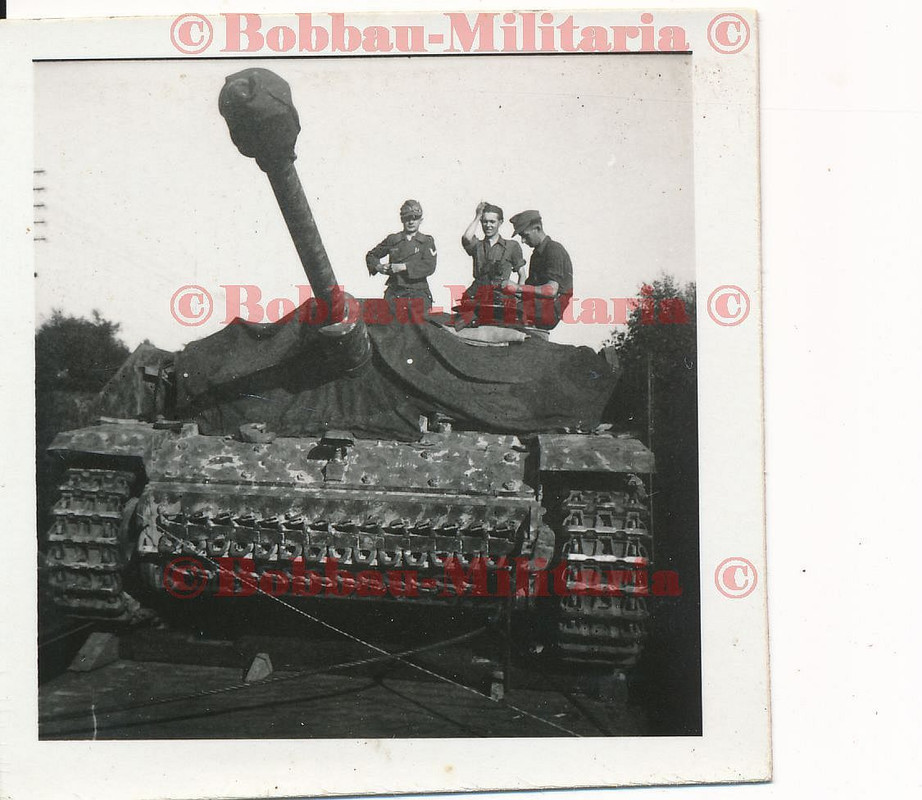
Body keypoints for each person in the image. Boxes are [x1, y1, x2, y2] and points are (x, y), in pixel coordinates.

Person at [365, 199, 437, 309]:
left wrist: (404, 267)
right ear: (402, 219)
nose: (411, 222)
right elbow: (371, 255)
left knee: (421, 320)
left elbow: (429, 266)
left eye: (415, 218)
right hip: (395, 292)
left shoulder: (427, 241)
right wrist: (378, 267)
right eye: (407, 218)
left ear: (421, 220)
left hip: (418, 293)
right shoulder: (393, 239)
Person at [509, 210, 573, 330]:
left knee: (503, 313)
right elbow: (531, 288)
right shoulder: (537, 254)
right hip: (538, 305)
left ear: (537, 228)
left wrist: (517, 288)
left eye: (525, 235)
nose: (523, 241)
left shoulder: (554, 249)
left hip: (550, 309)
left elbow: (551, 290)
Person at [461, 201, 525, 293]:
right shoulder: (477, 245)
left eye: (492, 222)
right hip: (478, 294)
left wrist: (520, 293)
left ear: (500, 222)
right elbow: (467, 237)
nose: (488, 225)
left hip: (501, 295)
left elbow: (522, 274)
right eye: (485, 222)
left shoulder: (511, 246)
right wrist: (478, 216)